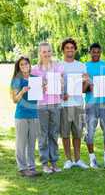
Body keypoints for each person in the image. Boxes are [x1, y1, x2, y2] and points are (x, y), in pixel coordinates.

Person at [31, 42, 63, 173]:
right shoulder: (34, 69)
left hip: (55, 103)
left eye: (49, 51)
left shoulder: (57, 67)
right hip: (42, 106)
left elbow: (61, 86)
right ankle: (45, 163)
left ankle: (54, 162)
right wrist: (41, 86)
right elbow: (32, 89)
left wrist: (59, 83)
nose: (47, 54)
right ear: (40, 53)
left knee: (54, 134)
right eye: (44, 52)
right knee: (43, 135)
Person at [60, 38, 89, 169]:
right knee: (65, 134)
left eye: (72, 47)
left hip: (77, 104)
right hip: (64, 105)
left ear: (75, 49)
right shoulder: (58, 66)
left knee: (77, 133)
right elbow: (56, 86)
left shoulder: (81, 66)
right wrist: (62, 94)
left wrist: (86, 81)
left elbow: (82, 89)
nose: (70, 50)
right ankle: (68, 159)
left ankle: (78, 159)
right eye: (67, 48)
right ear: (63, 50)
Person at [10, 56, 42, 177]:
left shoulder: (35, 79)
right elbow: (14, 100)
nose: (24, 66)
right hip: (21, 115)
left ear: (30, 65)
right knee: (21, 142)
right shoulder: (16, 80)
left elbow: (37, 97)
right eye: (22, 65)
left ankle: (31, 167)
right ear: (19, 67)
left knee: (31, 142)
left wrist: (42, 89)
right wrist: (22, 91)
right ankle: (22, 168)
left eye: (26, 64)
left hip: (34, 114)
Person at [84, 43, 105, 168]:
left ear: (100, 52)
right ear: (89, 52)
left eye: (98, 52)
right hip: (91, 103)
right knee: (90, 132)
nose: (96, 54)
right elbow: (82, 89)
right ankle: (92, 158)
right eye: (93, 51)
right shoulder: (85, 67)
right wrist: (88, 86)